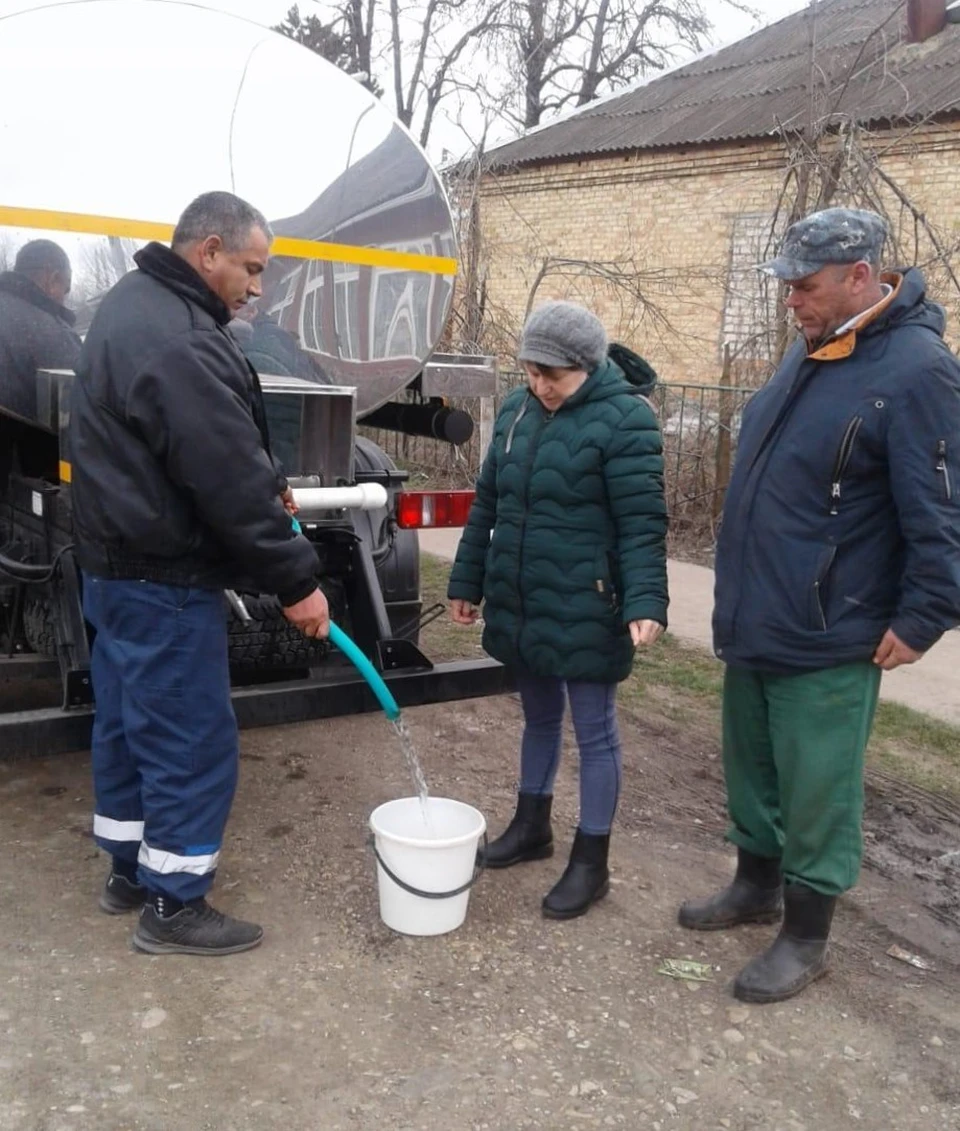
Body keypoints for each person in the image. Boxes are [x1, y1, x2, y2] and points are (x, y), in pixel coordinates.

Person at [679, 208, 960, 1003]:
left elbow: (941, 510)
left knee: (817, 786)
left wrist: (925, 614)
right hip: (758, 613)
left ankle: (806, 933)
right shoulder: (814, 351)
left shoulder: (917, 369)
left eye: (804, 286)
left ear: (861, 277)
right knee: (754, 767)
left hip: (834, 626)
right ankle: (754, 885)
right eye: (788, 286)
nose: (789, 301)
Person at [70, 191, 330, 956]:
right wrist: (297, 581)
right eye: (250, 269)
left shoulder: (130, 306)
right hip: (165, 576)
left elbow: (196, 448)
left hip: (115, 566)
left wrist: (262, 473)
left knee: (125, 722)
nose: (257, 287)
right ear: (207, 251)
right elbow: (223, 479)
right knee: (188, 736)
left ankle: (129, 871)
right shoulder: (180, 338)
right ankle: (176, 905)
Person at [448, 302, 669, 920]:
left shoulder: (627, 420)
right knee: (538, 718)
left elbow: (643, 523)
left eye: (554, 376)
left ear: (587, 368)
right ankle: (530, 825)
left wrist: (647, 598)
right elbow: (488, 502)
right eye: (531, 372)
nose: (541, 386)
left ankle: (591, 861)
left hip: (591, 601)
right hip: (525, 596)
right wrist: (467, 580)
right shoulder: (518, 411)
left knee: (594, 732)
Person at [0, 240, 81, 482]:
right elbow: (86, 417)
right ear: (52, 278)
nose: (64, 300)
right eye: (65, 289)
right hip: (22, 490)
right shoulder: (50, 333)